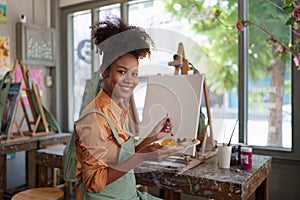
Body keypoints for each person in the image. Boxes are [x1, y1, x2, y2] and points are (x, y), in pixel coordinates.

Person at [66, 15, 179, 200]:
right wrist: (142, 157)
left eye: (134, 73)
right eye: (121, 71)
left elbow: (119, 157)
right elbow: (94, 182)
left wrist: (153, 137)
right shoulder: (94, 120)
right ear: (105, 71)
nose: (130, 80)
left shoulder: (118, 108)